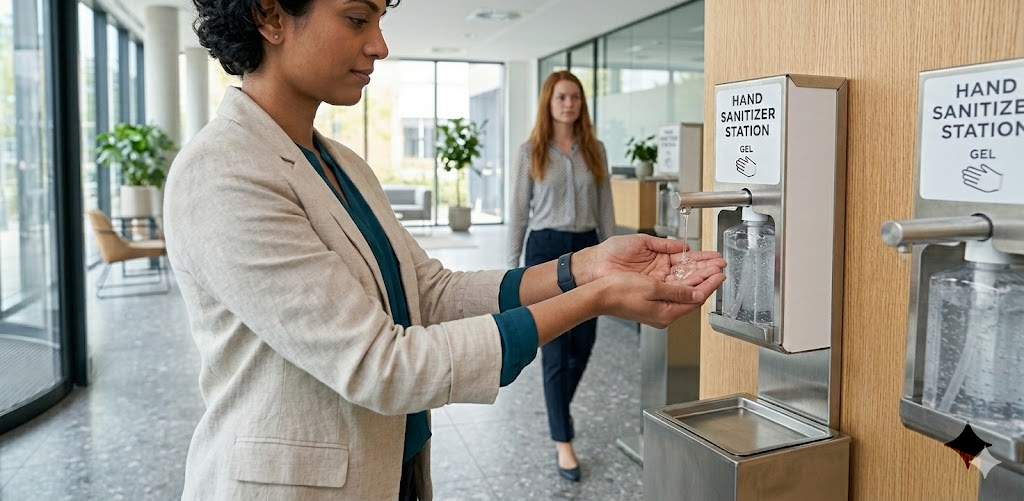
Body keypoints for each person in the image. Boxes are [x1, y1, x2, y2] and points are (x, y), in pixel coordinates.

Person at [167, 1, 726, 499]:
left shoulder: (343, 164)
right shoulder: (224, 171)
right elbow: (382, 366)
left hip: (395, 471)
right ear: (269, 16)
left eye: (380, 20)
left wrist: (585, 266)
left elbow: (431, 292)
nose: (380, 45)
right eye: (358, 19)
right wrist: (595, 297)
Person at [507, 70, 616, 481]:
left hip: (587, 247)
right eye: (561, 97)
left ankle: (559, 411)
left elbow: (606, 210)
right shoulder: (530, 151)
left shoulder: (595, 150)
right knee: (555, 349)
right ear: (548, 103)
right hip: (545, 250)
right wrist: (511, 272)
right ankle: (563, 441)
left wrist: (614, 257)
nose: (569, 104)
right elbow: (518, 213)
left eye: (575, 97)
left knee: (583, 344)